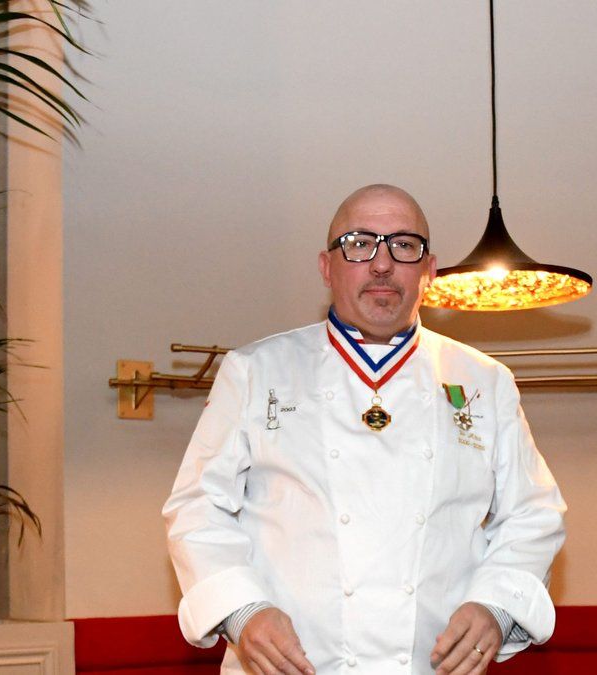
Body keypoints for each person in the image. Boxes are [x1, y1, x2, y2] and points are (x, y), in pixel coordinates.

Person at [163, 184, 566, 675]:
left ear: (429, 269)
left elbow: (533, 516)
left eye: (403, 245)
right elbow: (196, 509)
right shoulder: (255, 371)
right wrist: (243, 611)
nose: (381, 263)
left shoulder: (484, 381)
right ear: (326, 266)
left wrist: (497, 608)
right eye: (359, 243)